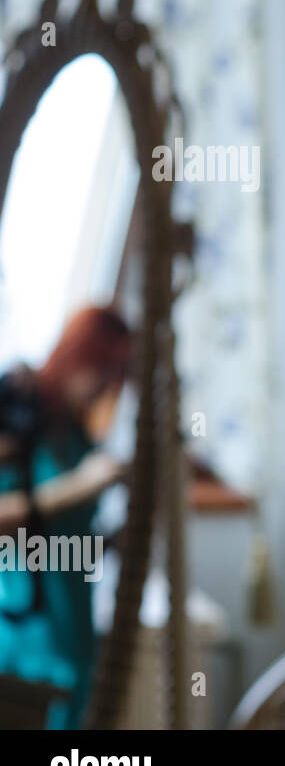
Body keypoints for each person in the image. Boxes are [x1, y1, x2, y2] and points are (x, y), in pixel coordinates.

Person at [0, 306, 131, 728]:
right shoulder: (15, 410)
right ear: (76, 353)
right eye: (103, 366)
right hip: (26, 634)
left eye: (118, 371)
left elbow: (67, 538)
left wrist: (118, 538)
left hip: (73, 627)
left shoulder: (75, 428)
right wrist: (81, 485)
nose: (107, 382)